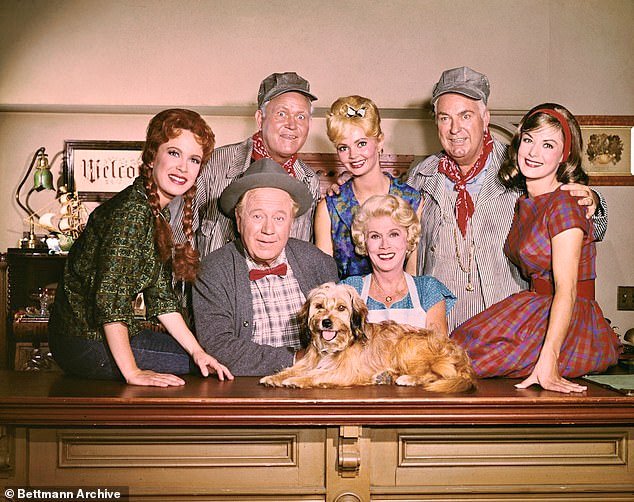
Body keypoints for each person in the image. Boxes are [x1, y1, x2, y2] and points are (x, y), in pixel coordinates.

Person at [407, 66, 608, 331]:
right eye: (445, 118)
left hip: (505, 330)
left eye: (465, 115)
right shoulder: (420, 177)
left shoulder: (520, 166)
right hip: (437, 329)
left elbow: (592, 227)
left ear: (485, 117)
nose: (455, 128)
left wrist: (593, 199)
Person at [49, 109, 233, 387]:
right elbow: (110, 300)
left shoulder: (152, 213)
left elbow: (161, 298)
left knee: (204, 358)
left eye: (193, 159)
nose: (183, 167)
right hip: (84, 342)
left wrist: (198, 351)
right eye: (174, 153)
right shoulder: (132, 212)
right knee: (207, 368)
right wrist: (133, 372)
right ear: (152, 155)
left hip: (90, 338)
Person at [451, 103, 621, 393]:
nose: (533, 152)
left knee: (461, 363)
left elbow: (567, 290)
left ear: (564, 155)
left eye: (548, 144)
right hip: (534, 307)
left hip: (568, 319)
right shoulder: (525, 201)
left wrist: (548, 361)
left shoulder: (566, 202)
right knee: (453, 352)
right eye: (528, 140)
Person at [193, 158, 339, 376]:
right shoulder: (213, 270)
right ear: (239, 218)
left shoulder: (318, 262)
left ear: (292, 222)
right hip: (244, 393)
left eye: (279, 218)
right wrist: (296, 358)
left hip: (313, 386)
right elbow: (218, 347)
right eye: (257, 216)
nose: (268, 229)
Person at [171, 71, 321, 257]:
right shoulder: (216, 162)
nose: (292, 124)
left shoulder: (310, 182)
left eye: (301, 116)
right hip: (216, 283)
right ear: (260, 119)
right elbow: (179, 236)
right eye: (282, 113)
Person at [315, 95, 421, 279]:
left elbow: (414, 274)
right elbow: (324, 281)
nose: (353, 155)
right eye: (343, 148)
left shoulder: (412, 200)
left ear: (379, 141)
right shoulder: (329, 208)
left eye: (361, 143)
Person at [341, 194, 456, 336]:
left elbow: (440, 351)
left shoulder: (427, 289)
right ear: (364, 242)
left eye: (393, 234)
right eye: (375, 236)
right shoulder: (351, 289)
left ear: (408, 238)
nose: (384, 245)